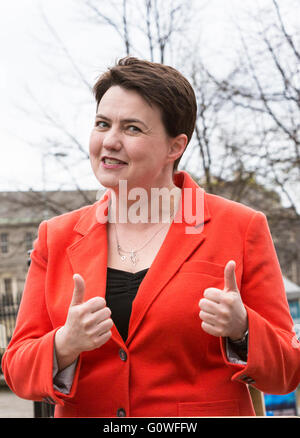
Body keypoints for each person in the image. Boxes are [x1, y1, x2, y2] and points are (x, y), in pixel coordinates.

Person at [2, 57, 300, 418]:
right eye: (102, 124)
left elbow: (287, 372)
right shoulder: (56, 236)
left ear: (175, 147)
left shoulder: (240, 227)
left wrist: (243, 330)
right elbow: (17, 369)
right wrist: (64, 345)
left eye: (132, 128)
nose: (110, 141)